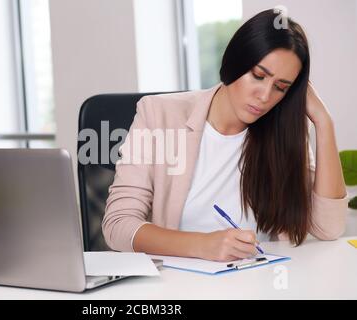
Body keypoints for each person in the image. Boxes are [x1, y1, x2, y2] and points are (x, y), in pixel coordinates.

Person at [102, 8, 348, 262]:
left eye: (280, 87)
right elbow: (118, 225)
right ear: (235, 61)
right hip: (178, 286)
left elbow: (328, 228)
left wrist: (323, 122)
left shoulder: (282, 132)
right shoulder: (158, 114)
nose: (264, 97)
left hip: (259, 284)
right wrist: (202, 245)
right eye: (258, 76)